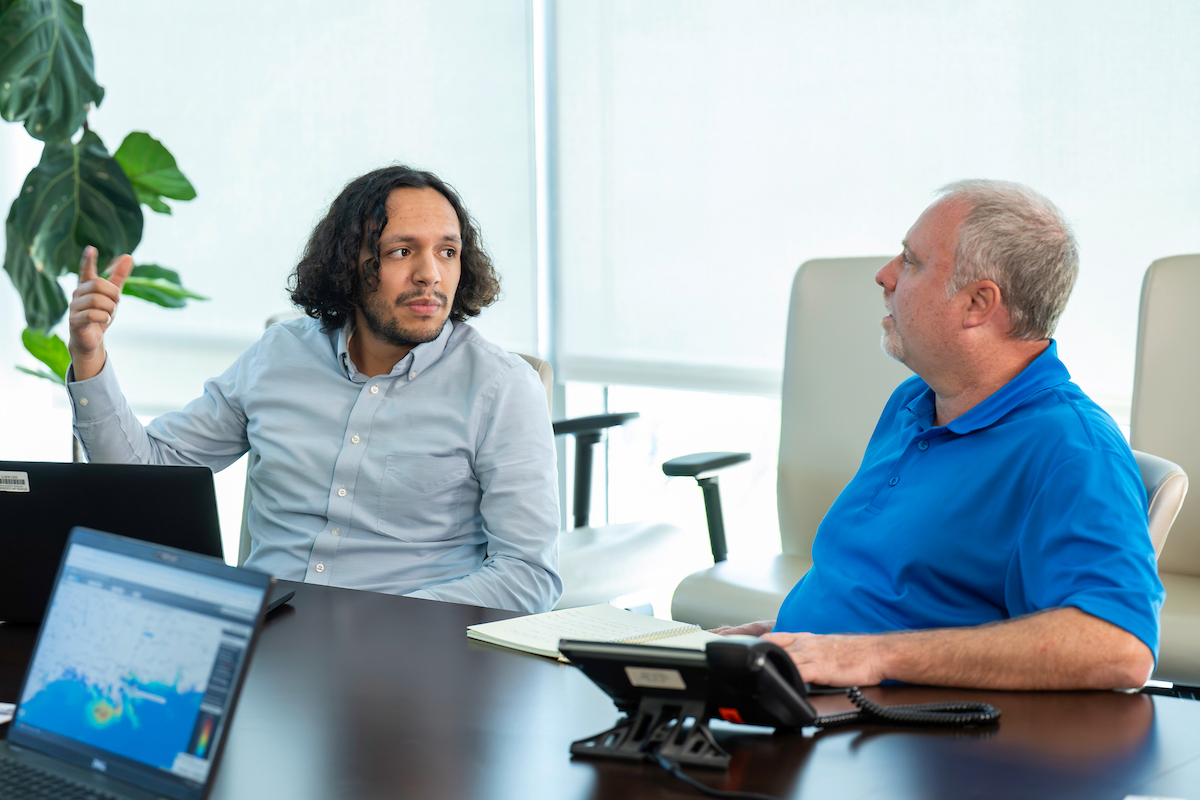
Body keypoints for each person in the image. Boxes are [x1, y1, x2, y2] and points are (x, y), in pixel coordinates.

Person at [717, 180, 1162, 690]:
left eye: (911, 261)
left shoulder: (1073, 449)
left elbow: (1118, 645)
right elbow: (908, 596)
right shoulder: (914, 401)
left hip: (898, 737)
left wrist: (871, 653)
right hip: (811, 690)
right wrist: (801, 636)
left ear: (977, 303)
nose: (884, 275)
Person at [66, 165, 561, 613]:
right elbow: (149, 473)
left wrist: (387, 622)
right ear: (350, 261)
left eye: (447, 252)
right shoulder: (279, 355)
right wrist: (89, 358)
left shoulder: (501, 388)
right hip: (260, 647)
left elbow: (528, 575)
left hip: (401, 662)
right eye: (402, 251)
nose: (430, 274)